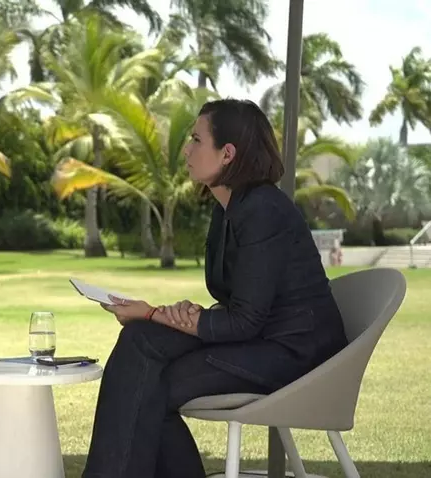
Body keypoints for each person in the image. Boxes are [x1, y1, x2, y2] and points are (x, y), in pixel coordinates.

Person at [81, 98, 349, 478]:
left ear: (227, 153)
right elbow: (242, 304)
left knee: (150, 386)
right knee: (140, 339)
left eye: (196, 139)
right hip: (260, 337)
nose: (186, 150)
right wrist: (180, 316)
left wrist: (155, 313)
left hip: (295, 355)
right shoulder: (227, 208)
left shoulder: (263, 210)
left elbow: (245, 321)